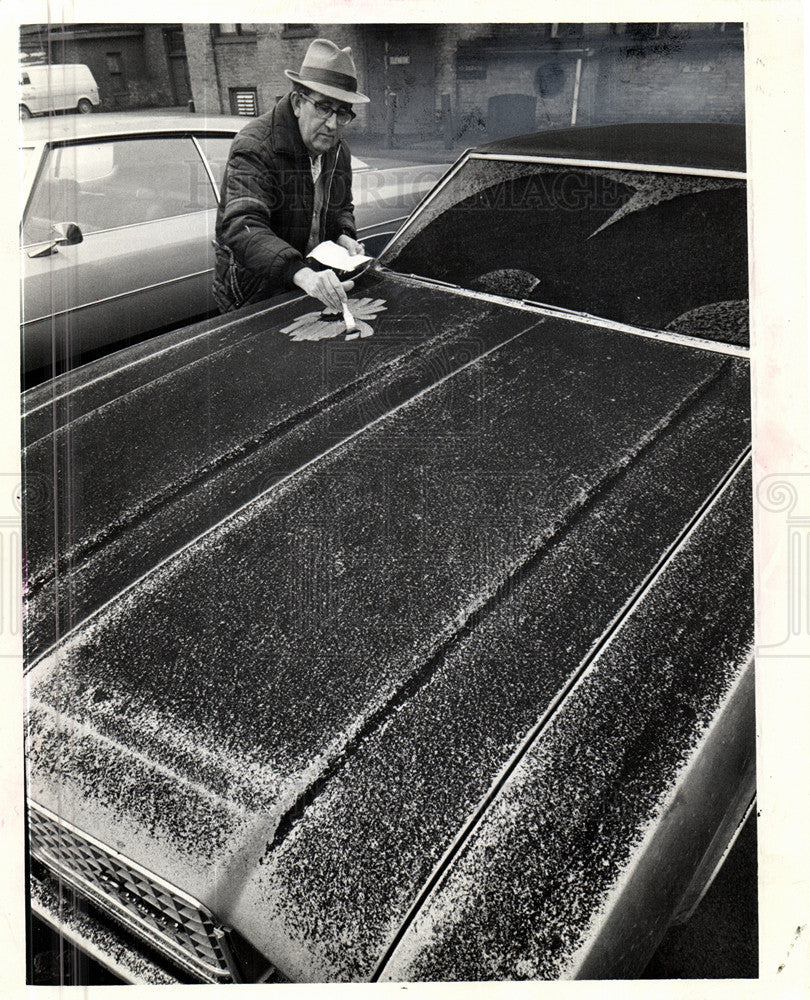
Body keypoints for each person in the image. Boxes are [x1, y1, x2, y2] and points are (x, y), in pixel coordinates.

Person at [213, 38, 369, 315]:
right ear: (298, 103)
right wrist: (302, 274)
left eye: (342, 112)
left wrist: (344, 235)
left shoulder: (336, 149)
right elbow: (242, 225)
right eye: (323, 108)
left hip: (306, 283)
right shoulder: (255, 146)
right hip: (255, 293)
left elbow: (342, 205)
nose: (332, 124)